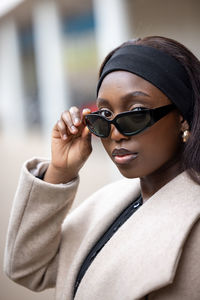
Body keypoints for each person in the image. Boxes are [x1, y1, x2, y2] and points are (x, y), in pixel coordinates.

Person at [4, 36, 200, 300]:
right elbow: (27, 268)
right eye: (104, 116)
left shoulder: (193, 227)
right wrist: (60, 173)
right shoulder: (109, 202)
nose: (116, 134)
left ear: (182, 118)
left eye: (137, 111)